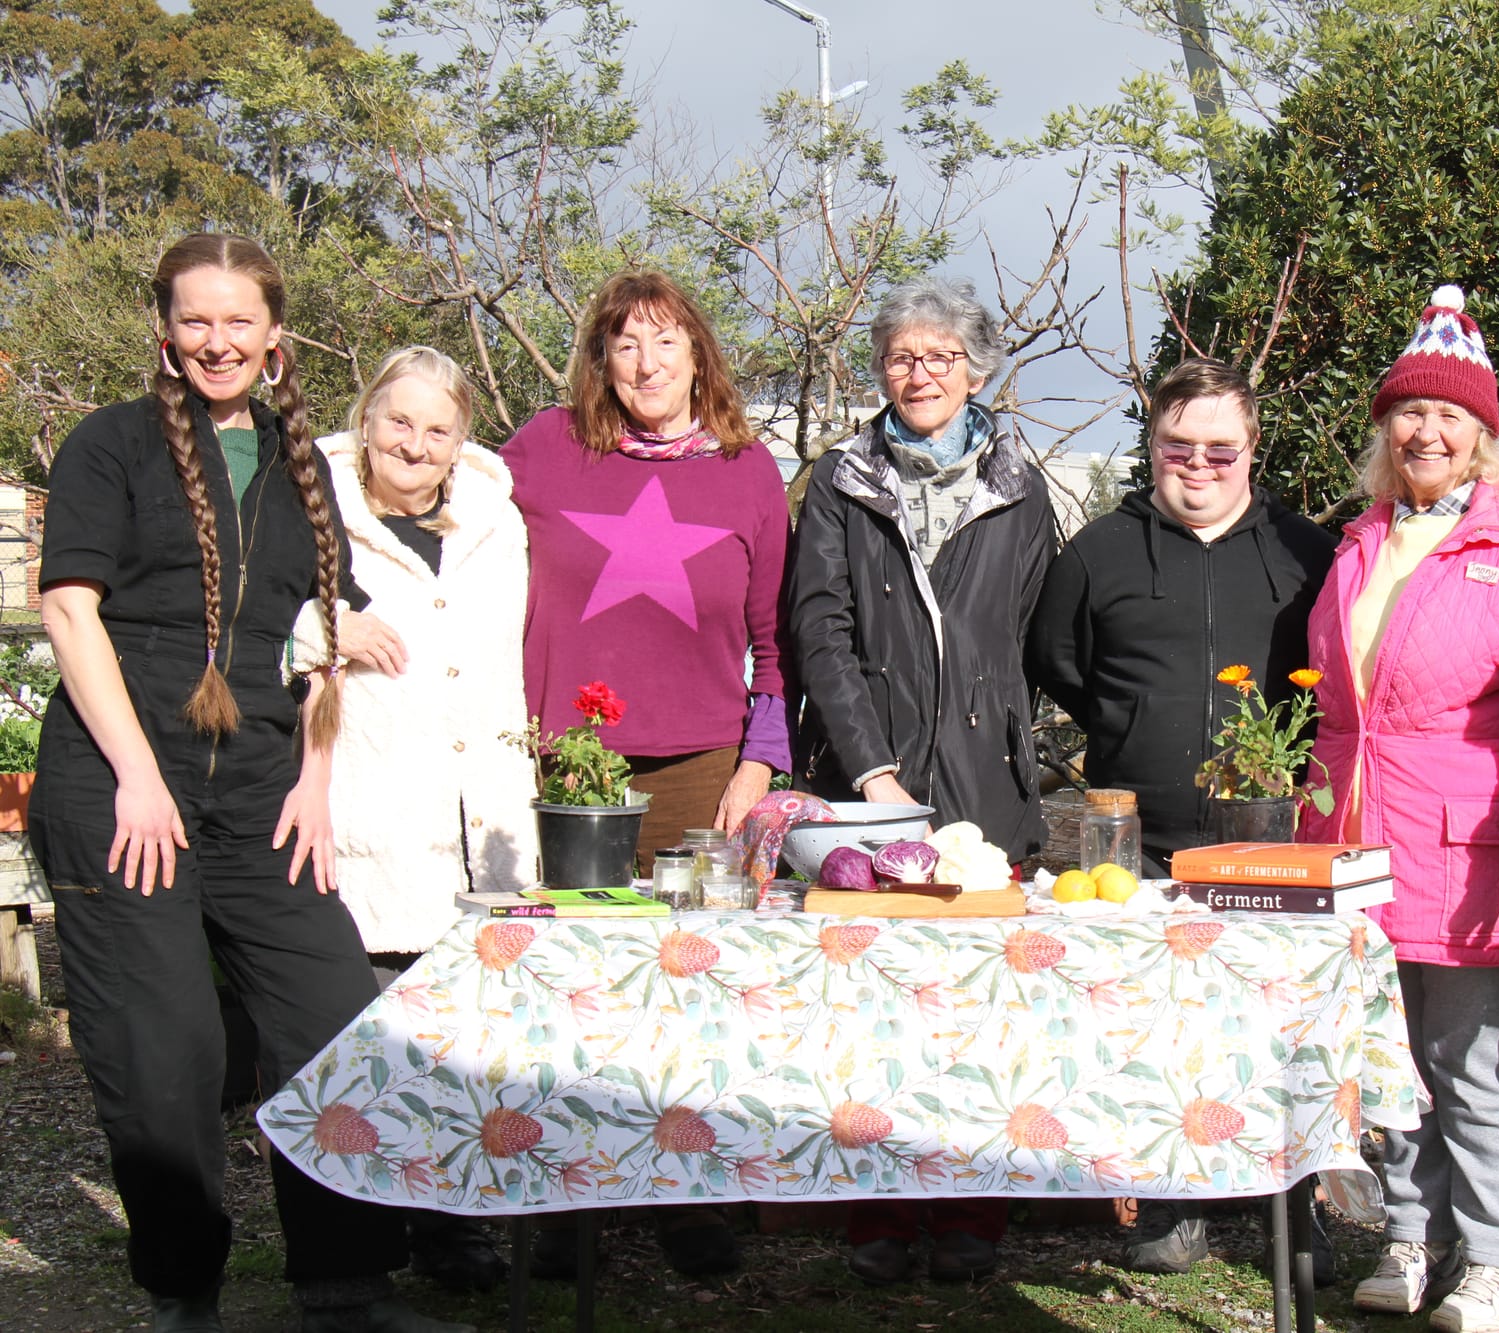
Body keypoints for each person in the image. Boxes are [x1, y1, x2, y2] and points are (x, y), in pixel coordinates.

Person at [27, 233, 471, 1333]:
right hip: (123, 783)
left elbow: (323, 632)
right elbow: (68, 610)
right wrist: (135, 775)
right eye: (196, 320)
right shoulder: (111, 445)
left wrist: (315, 777)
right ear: (166, 333)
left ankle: (343, 1286)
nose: (217, 340)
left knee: (334, 1018)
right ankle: (187, 1291)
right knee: (164, 1048)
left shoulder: (296, 462)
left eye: (239, 322)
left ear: (275, 337)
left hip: (261, 792)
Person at [1297, 285, 1499, 1333]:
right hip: (1358, 839)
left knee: (1471, 1068)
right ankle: (1412, 1236)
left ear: (1482, 435)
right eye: (1407, 414)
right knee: (1386, 1062)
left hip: (1474, 851)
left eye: (1448, 417)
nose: (1424, 431)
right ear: (1385, 429)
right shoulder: (1358, 541)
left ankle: (1498, 1258)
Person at [501, 269, 793, 1278]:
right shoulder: (544, 448)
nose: (648, 362)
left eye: (667, 341)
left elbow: (776, 637)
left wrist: (761, 762)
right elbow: (439, 509)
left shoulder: (747, 469)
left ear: (699, 355)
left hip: (701, 764)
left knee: (688, 989)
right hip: (569, 769)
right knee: (564, 990)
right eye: (625, 343)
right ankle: (564, 1204)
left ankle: (691, 1199)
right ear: (600, 360)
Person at [1027, 356, 1334, 1276]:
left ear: (1251, 449)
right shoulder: (1098, 553)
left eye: (1220, 450)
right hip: (1143, 839)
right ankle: (1171, 1197)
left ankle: (1291, 1202)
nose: (1198, 466)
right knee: (1160, 1023)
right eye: (1177, 447)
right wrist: (1133, 727)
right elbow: (1059, 661)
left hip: (1268, 838)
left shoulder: (1304, 551)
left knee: (1280, 1023)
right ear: (1151, 446)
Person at [790, 275, 1057, 1283]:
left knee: (979, 1013)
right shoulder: (840, 480)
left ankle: (970, 1212)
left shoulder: (1020, 485)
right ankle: (879, 1214)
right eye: (904, 355)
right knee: (869, 1010)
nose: (922, 373)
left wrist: (1007, 743)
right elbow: (819, 627)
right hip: (874, 784)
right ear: (880, 369)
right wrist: (871, 768)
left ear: (977, 370)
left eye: (942, 356)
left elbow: (1034, 631)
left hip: (986, 787)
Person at [291, 346, 536, 1293]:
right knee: (370, 1036)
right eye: (399, 421)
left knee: (467, 1040)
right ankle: (368, 1232)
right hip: (371, 798)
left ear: (461, 438)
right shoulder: (318, 508)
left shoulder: (494, 520)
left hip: (485, 812)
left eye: (438, 428)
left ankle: (455, 1224)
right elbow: (255, 614)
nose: (416, 443)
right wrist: (325, 630)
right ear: (366, 418)